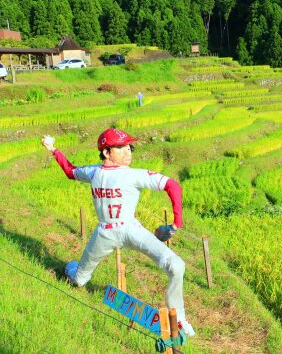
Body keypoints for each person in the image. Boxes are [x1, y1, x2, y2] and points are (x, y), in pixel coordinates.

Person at [41, 129, 195, 337]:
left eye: (129, 147)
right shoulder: (94, 172)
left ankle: (179, 319)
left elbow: (172, 185)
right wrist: (53, 149)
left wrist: (176, 224)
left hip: (130, 229)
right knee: (79, 280)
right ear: (106, 152)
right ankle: (71, 268)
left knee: (177, 265)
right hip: (104, 232)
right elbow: (71, 172)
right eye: (121, 147)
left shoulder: (133, 174)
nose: (128, 151)